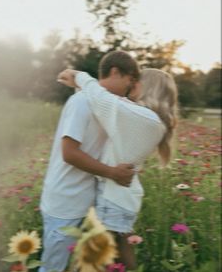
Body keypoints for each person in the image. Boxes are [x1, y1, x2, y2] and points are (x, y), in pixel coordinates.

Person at [57, 67, 178, 269]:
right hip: (122, 196)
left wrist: (79, 76)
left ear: (147, 87)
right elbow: (104, 104)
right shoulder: (147, 119)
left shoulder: (144, 118)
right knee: (121, 253)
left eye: (137, 80)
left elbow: (103, 99)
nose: (132, 83)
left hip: (114, 199)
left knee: (99, 260)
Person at [39, 51, 140, 272]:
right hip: (64, 202)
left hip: (89, 203)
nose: (130, 88)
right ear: (115, 72)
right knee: (53, 268)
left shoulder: (107, 106)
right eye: (129, 80)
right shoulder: (81, 102)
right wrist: (113, 173)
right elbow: (70, 153)